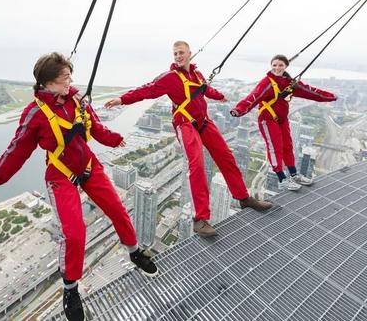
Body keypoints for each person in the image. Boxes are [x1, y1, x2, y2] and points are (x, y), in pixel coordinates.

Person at [0, 53, 158, 321]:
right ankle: (70, 289)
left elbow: (95, 128)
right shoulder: (35, 114)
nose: (69, 82)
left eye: (70, 77)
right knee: (74, 234)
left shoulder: (78, 102)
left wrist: (115, 139)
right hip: (60, 175)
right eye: (64, 78)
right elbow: (16, 152)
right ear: (47, 83)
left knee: (118, 210)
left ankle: (134, 252)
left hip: (88, 166)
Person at [105, 41, 272, 238]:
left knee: (226, 156)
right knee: (197, 164)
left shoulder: (197, 74)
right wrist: (122, 99)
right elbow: (147, 90)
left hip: (203, 121)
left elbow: (205, 90)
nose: (178, 56)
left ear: (190, 54)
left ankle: (243, 197)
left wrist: (220, 97)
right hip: (185, 124)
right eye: (175, 53)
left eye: (181, 53)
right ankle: (200, 219)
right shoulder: (169, 78)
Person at [231, 54, 337, 191]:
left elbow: (310, 92)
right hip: (267, 119)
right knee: (275, 148)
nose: (277, 68)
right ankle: (282, 179)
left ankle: (294, 174)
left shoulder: (290, 83)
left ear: (286, 66)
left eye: (280, 65)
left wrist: (331, 97)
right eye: (274, 65)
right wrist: (238, 110)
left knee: (288, 146)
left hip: (282, 119)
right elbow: (253, 97)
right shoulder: (267, 82)